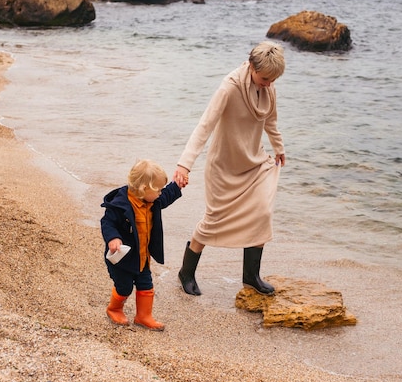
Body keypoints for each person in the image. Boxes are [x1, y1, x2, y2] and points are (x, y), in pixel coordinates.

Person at [173, 40, 286, 296]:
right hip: (223, 168)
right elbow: (205, 126)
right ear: (252, 66)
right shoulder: (230, 87)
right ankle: (186, 272)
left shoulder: (269, 87)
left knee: (262, 213)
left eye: (273, 80)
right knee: (212, 222)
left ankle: (251, 276)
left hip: (254, 162)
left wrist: (278, 147)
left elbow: (271, 120)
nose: (269, 84)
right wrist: (184, 164)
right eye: (265, 78)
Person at [101, 159, 187, 330]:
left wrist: (177, 185)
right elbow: (107, 222)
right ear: (144, 189)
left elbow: (167, 196)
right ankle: (114, 308)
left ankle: (143, 316)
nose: (161, 193)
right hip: (122, 259)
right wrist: (113, 238)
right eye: (158, 190)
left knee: (146, 285)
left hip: (142, 257)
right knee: (124, 287)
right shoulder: (120, 205)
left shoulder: (152, 201)